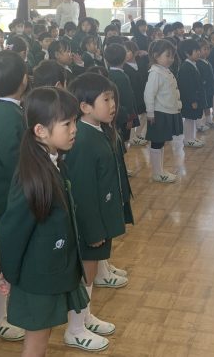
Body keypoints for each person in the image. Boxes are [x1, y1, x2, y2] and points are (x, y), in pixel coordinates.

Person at [0, 87, 95, 356]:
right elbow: (12, 231)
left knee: (44, 333)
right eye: (67, 124)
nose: (74, 129)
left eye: (75, 122)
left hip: (50, 269)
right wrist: (10, 274)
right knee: (37, 340)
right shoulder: (32, 176)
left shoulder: (52, 162)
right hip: (36, 277)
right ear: (40, 130)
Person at [64, 74, 127, 347]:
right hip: (90, 223)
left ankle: (85, 316)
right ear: (85, 107)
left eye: (112, 98)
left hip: (99, 218)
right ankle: (75, 329)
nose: (112, 105)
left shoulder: (98, 130)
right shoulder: (83, 139)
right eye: (106, 99)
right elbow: (82, 190)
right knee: (85, 274)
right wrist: (92, 229)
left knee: (90, 273)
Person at [0, 51, 29, 342]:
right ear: (24, 80)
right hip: (8, 199)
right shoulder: (7, 115)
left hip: (5, 198)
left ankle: (4, 313)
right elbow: (15, 163)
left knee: (4, 255)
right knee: (3, 259)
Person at [143, 39, 182, 183]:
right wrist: (150, 113)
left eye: (173, 56)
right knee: (157, 142)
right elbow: (149, 94)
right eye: (167, 55)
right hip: (159, 114)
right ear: (156, 55)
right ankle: (157, 172)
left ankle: (160, 170)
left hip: (167, 112)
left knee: (161, 142)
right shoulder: (155, 73)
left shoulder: (164, 70)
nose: (171, 59)